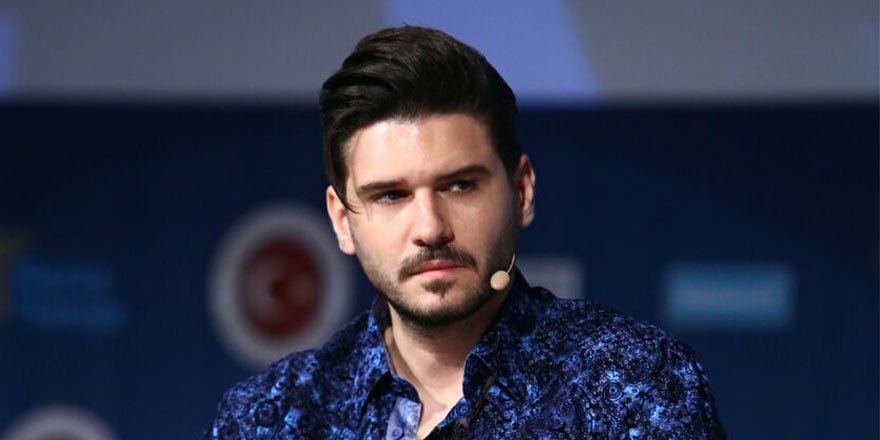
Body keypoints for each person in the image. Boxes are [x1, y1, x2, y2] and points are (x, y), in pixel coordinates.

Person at [206, 25, 726, 439]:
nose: (430, 228)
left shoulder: (632, 383)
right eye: (391, 196)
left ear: (521, 191)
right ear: (343, 220)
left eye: (459, 186)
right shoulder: (270, 417)